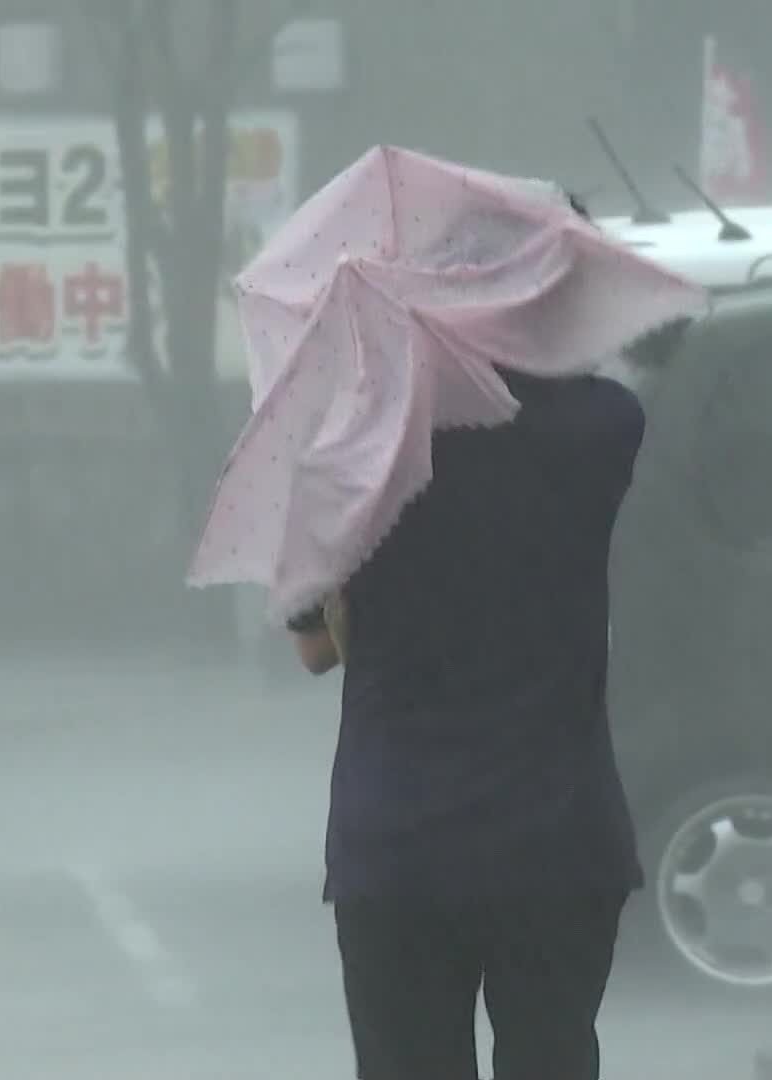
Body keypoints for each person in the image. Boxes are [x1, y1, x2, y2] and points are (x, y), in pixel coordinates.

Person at [286, 354, 649, 1080]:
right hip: (559, 837)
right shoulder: (605, 423)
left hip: (400, 845)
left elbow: (315, 650)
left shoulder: (352, 446)